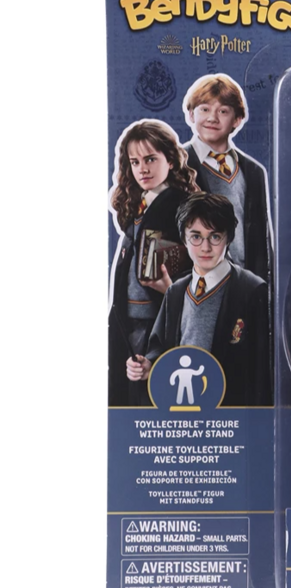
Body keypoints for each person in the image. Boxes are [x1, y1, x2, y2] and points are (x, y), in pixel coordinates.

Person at [126, 192, 272, 407]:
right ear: (184, 239)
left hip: (231, 410)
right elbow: (160, 347)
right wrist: (150, 367)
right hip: (184, 407)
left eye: (215, 237)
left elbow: (263, 370)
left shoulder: (252, 290)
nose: (205, 247)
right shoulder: (176, 291)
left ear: (229, 238)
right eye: (196, 237)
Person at [108, 119, 198, 406]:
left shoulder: (183, 205)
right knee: (128, 392)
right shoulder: (138, 205)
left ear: (170, 160)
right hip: (127, 317)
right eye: (135, 162)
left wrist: (172, 289)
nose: (142, 169)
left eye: (150, 159)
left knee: (152, 392)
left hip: (157, 318)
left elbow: (202, 264)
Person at [182, 73, 272, 282]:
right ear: (191, 115)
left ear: (237, 120)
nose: (212, 118)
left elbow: (263, 238)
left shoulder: (254, 171)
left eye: (223, 111)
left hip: (245, 283)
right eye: (204, 109)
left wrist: (265, 287)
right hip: (199, 283)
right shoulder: (176, 164)